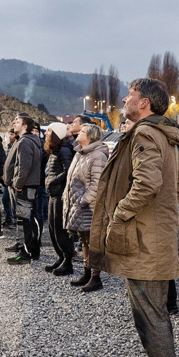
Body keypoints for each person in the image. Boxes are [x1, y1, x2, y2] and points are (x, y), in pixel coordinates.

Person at [90, 78, 179, 357]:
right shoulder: (164, 135)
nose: (124, 99)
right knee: (153, 315)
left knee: (151, 319)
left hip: (147, 240)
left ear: (144, 103)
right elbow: (178, 187)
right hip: (154, 236)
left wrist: (120, 214)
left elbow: (148, 183)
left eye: (130, 96)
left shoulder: (145, 133)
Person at [64, 123, 108, 291]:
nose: (78, 132)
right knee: (83, 240)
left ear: (90, 136)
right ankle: (87, 272)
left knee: (92, 241)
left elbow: (97, 184)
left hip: (89, 207)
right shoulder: (80, 153)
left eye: (82, 131)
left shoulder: (98, 156)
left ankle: (96, 277)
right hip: (79, 205)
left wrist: (83, 200)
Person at [5, 115, 43, 265]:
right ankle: (31, 250)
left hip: (25, 186)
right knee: (28, 218)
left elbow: (24, 167)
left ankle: (26, 253)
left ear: (25, 126)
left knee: (25, 220)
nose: (14, 123)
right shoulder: (26, 140)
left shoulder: (25, 142)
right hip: (27, 185)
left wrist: (18, 183)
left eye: (17, 122)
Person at [43, 122, 76, 275]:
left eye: (49, 130)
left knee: (60, 230)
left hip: (60, 195)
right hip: (53, 193)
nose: (45, 133)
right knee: (52, 228)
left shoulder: (64, 150)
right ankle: (60, 256)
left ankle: (67, 261)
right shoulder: (55, 150)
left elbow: (69, 170)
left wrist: (54, 179)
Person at [1, 131, 17, 226]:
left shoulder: (18, 146)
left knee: (13, 200)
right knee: (5, 199)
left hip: (15, 179)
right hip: (8, 178)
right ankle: (9, 218)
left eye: (12, 134)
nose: (10, 136)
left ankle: (13, 219)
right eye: (9, 134)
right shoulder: (9, 147)